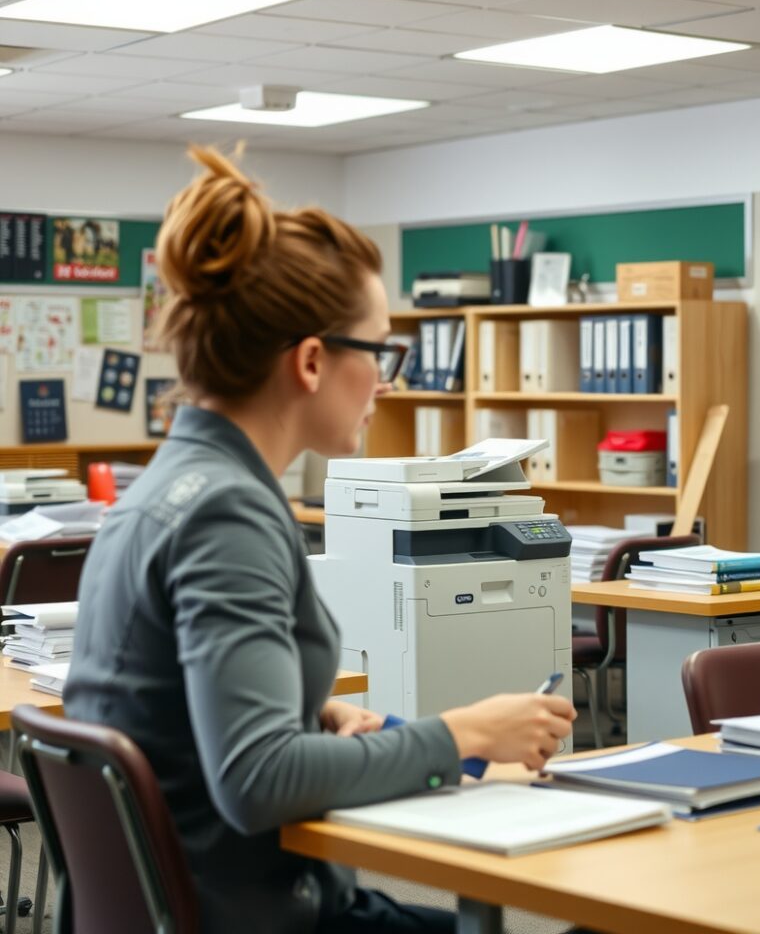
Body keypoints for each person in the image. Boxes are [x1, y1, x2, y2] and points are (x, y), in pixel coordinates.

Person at [64, 146, 576, 934]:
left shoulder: (170, 487)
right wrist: (467, 732)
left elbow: (178, 719)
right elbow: (257, 778)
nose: (387, 381)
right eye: (380, 352)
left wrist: (312, 714)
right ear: (310, 361)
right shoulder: (226, 515)